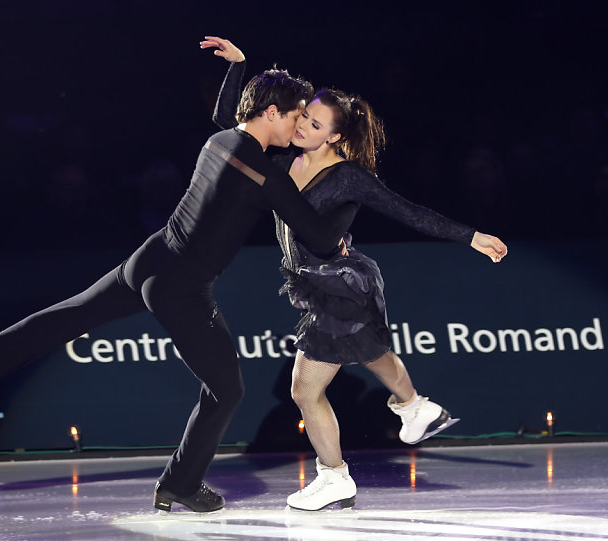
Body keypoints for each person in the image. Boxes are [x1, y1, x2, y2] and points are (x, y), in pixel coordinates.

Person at [0, 49, 348, 513]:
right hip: (181, 287)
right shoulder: (264, 177)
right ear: (272, 111)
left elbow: (225, 114)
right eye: (295, 115)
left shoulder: (220, 142)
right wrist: (347, 189)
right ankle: (180, 484)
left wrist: (237, 67)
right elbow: (318, 236)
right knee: (226, 390)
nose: (298, 126)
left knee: (69, 316)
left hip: (147, 260)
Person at [202, 37, 508, 511]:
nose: (302, 125)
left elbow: (408, 211)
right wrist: (238, 68)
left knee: (304, 389)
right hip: (318, 282)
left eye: (315, 124)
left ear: (336, 138)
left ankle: (336, 476)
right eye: (303, 116)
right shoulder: (283, 158)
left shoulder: (349, 177)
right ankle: (414, 406)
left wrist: (470, 236)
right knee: (370, 349)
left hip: (337, 284)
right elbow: (231, 124)